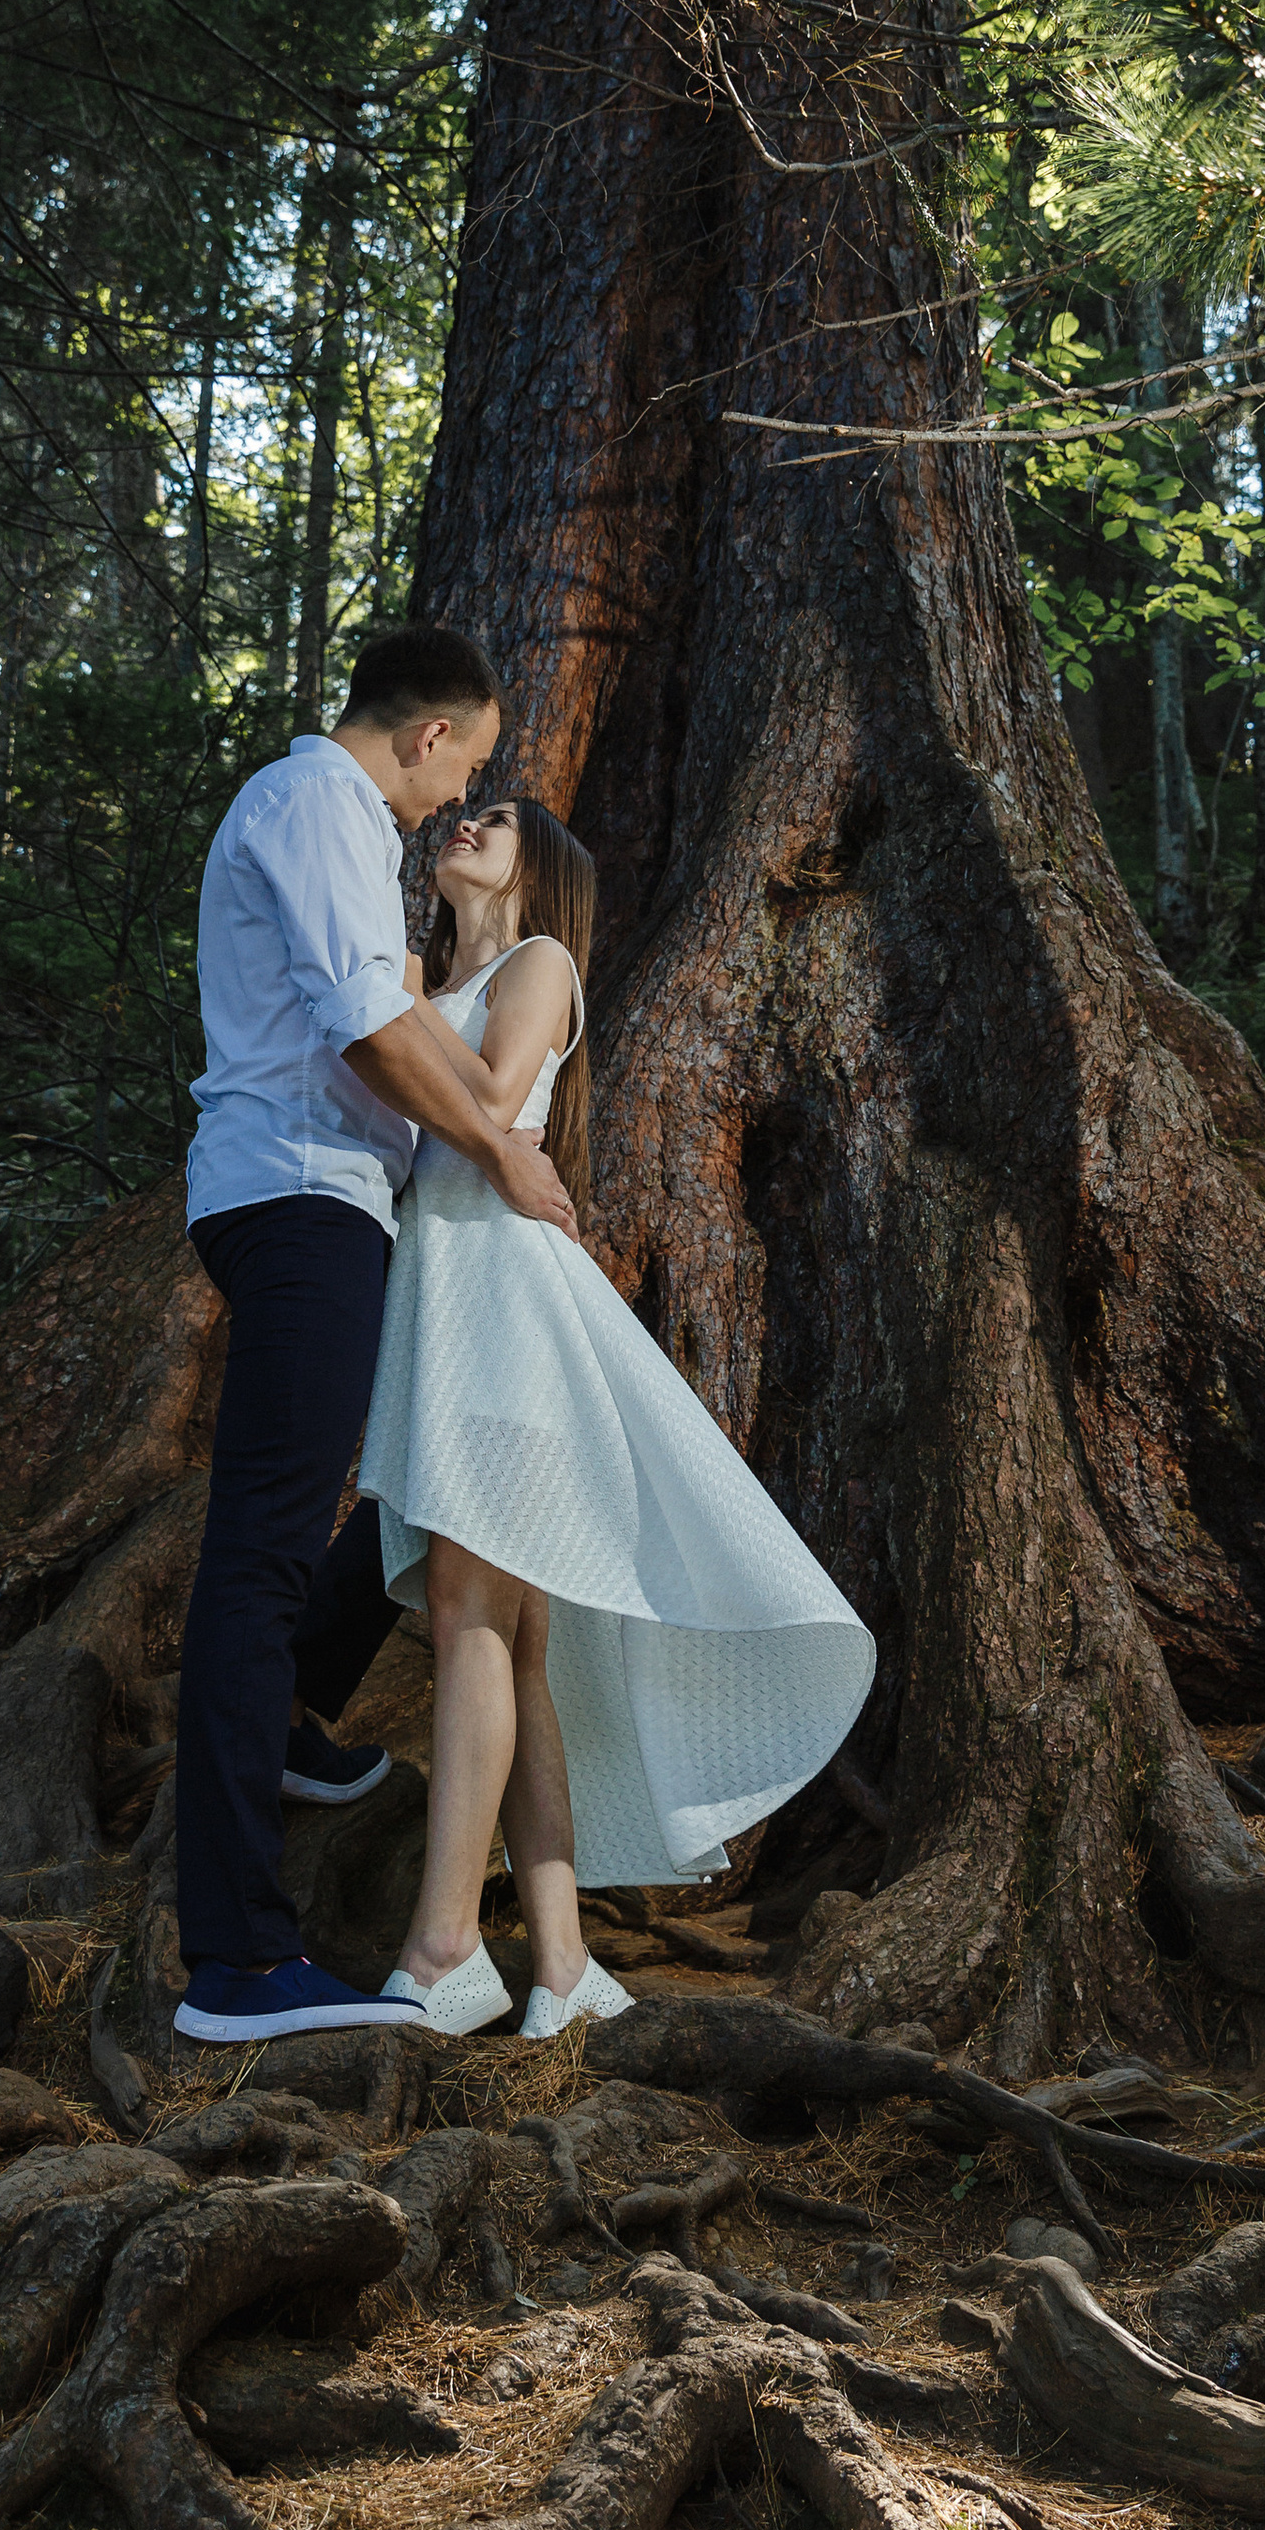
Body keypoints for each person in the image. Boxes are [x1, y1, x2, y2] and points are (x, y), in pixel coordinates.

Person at [357, 793, 875, 2038]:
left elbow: (491, 1099)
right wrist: (408, 994)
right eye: (464, 814)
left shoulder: (537, 961)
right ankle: (566, 1967)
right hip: (449, 1307)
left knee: (467, 1612)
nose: (465, 826)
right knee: (516, 1641)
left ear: (539, 866)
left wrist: (397, 1002)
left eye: (494, 819)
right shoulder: (435, 980)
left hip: (507, 1318)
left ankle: (442, 1949)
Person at [170, 624, 577, 2047]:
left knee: (376, 1502)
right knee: (261, 1554)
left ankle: (287, 1715)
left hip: (330, 1207)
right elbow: (366, 1029)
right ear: (430, 734)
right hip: (299, 1196)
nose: (460, 793)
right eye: (468, 762)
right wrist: (503, 1151)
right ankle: (235, 1960)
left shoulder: (336, 823)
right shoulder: (318, 804)